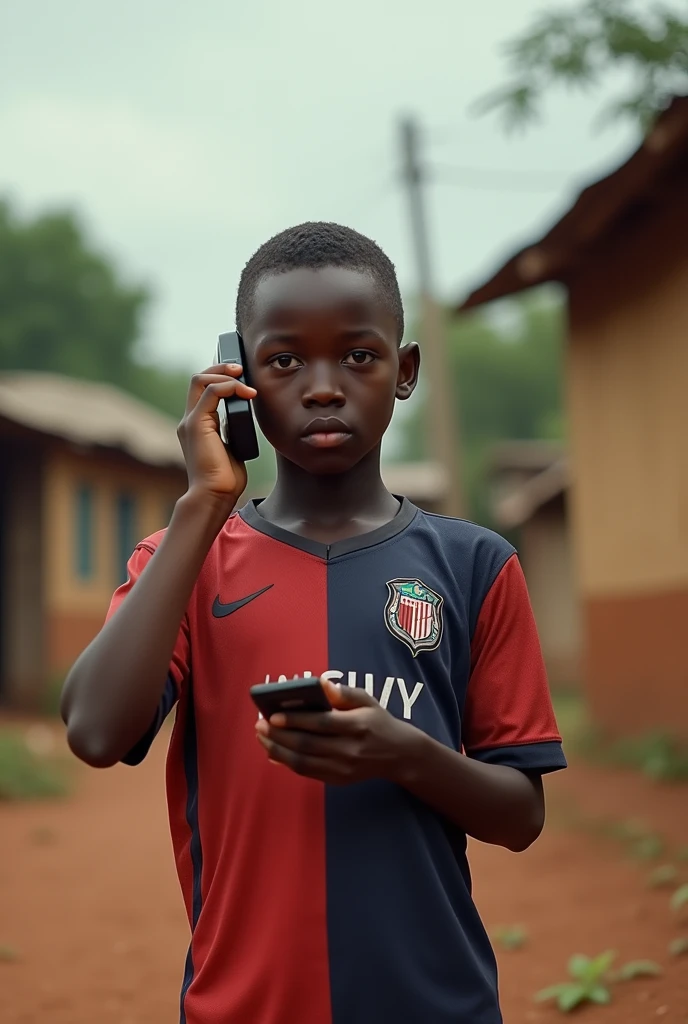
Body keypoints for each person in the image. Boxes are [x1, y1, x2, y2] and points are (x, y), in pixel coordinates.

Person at [61, 222, 566, 1024]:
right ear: (241, 378)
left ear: (403, 372)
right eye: (286, 359)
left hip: (434, 1004)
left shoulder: (476, 566)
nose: (323, 386)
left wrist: (403, 754)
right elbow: (94, 731)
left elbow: (521, 815)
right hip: (245, 1005)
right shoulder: (186, 560)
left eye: (358, 357)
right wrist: (204, 504)